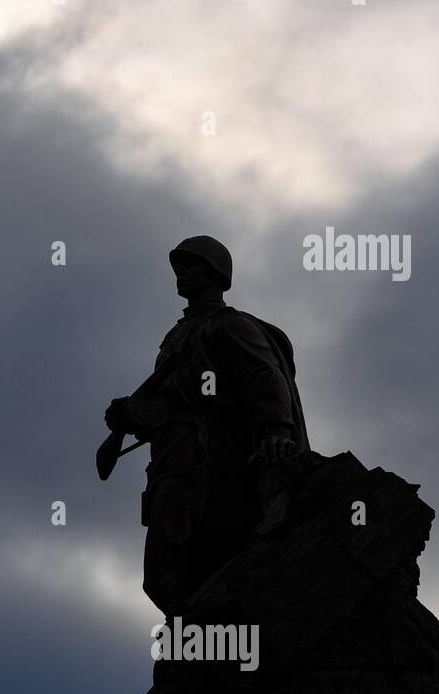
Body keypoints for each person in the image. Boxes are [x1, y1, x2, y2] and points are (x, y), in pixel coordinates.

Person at [103, 235, 309, 615]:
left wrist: (278, 430)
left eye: (190, 266)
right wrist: (133, 415)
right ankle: (195, 650)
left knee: (195, 567)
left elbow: (264, 375)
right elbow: (173, 401)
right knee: (162, 579)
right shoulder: (175, 337)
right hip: (171, 464)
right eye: (178, 268)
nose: (181, 275)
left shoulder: (229, 325)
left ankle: (211, 648)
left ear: (214, 274)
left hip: (210, 467)